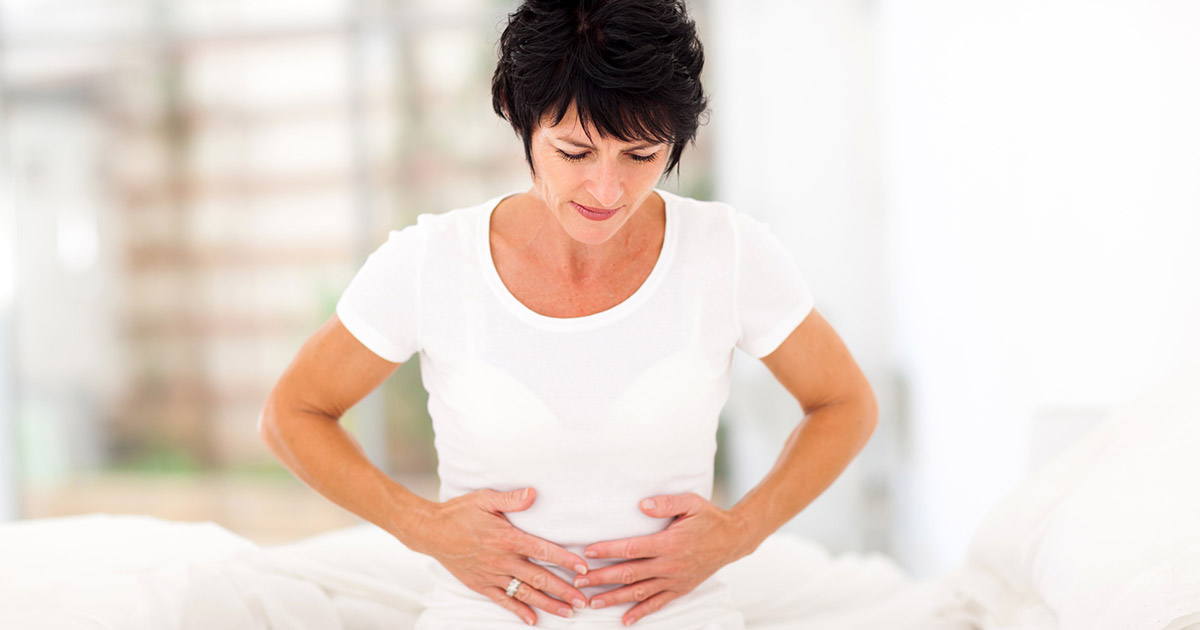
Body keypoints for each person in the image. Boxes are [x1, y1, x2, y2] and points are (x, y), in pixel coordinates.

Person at [258, 0, 877, 627]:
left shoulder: (726, 251)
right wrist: (422, 526)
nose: (606, 192)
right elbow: (292, 415)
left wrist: (739, 532)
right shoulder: (433, 261)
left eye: (639, 157)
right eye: (576, 152)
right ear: (521, 121)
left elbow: (845, 404)